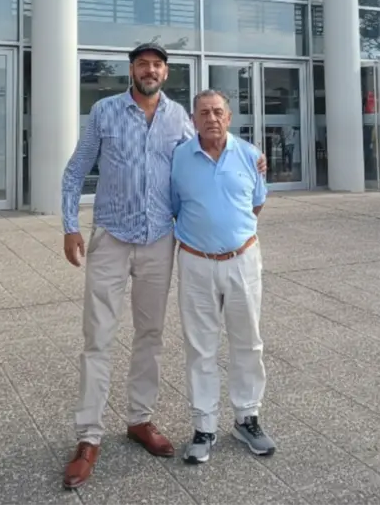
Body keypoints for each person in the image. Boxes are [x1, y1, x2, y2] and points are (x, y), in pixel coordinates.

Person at [60, 45, 266, 490]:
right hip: (111, 237)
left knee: (150, 335)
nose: (149, 70)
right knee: (98, 337)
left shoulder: (180, 119)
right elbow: (76, 170)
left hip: (158, 241)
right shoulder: (104, 112)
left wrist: (252, 158)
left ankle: (140, 419)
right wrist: (70, 225)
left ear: (166, 73)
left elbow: (210, 151)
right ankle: (88, 436)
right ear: (132, 70)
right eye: (142, 64)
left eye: (156, 65)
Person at [171, 89, 276, 464]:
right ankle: (204, 426)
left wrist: (230, 235)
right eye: (203, 113)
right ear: (193, 120)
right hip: (195, 262)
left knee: (248, 341)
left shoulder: (249, 155)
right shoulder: (179, 158)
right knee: (200, 347)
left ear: (229, 118)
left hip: (242, 260)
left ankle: (247, 418)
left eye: (218, 112)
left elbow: (255, 203)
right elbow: (175, 207)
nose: (211, 118)